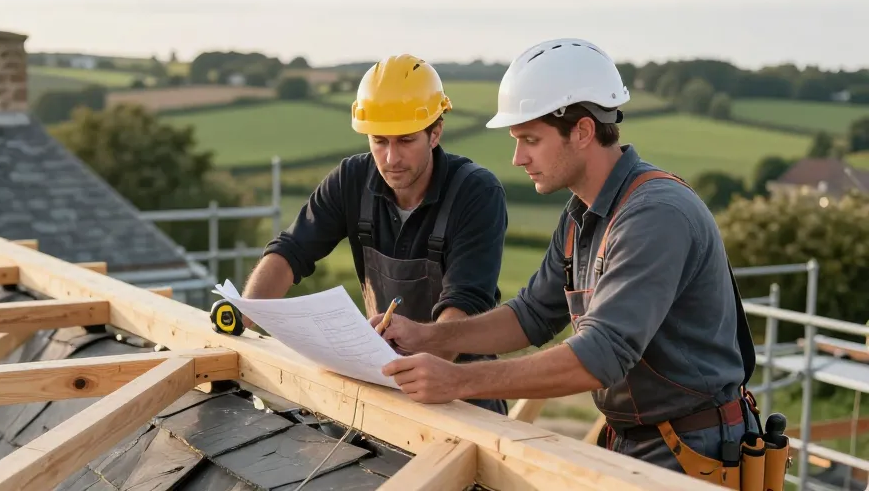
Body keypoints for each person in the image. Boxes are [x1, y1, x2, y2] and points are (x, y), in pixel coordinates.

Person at [371, 39, 762, 479]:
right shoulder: (582, 214)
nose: (518, 158)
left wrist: (458, 381)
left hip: (694, 453)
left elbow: (601, 355)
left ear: (582, 131)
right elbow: (531, 315)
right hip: (638, 443)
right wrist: (428, 338)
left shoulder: (655, 215)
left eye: (530, 140)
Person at [241, 54, 510, 415]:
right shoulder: (352, 180)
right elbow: (290, 252)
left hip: (461, 397)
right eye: (379, 141)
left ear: (436, 132)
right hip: (383, 386)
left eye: (406, 140)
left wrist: (401, 368)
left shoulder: (477, 194)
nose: (390, 158)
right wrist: (244, 315)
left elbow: (462, 309)